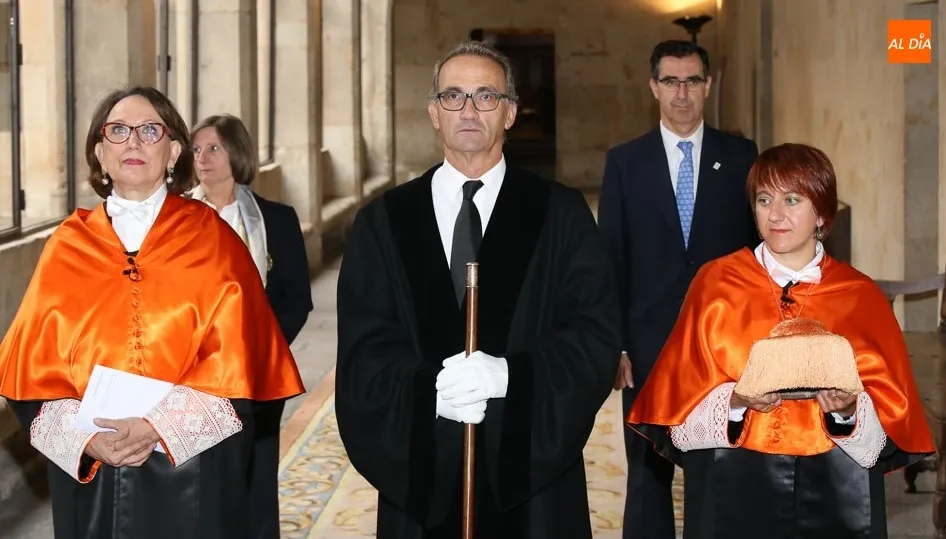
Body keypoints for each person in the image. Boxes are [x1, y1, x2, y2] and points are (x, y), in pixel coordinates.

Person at [335, 40, 621, 538]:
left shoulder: (560, 213)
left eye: (486, 96)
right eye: (453, 96)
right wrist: (427, 393)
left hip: (531, 481)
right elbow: (364, 350)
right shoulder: (383, 222)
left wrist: (512, 377)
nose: (468, 111)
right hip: (423, 475)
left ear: (509, 113)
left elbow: (593, 335)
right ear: (434, 112)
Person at [0, 86, 305, 539]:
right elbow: (30, 373)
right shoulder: (67, 246)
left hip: (194, 472)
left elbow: (241, 365)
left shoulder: (215, 240)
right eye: (118, 130)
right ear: (100, 153)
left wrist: (157, 426)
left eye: (149, 130)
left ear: (173, 152)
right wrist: (88, 439)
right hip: (94, 477)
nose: (133, 142)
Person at [627, 143, 935, 538]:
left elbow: (887, 426)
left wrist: (846, 411)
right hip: (733, 486)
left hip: (837, 489)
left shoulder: (861, 296)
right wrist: (736, 401)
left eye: (792, 199)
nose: (775, 214)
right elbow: (680, 418)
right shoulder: (715, 283)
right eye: (764, 199)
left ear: (821, 213)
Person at [596, 39, 760, 539]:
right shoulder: (625, 162)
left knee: (716, 466)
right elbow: (610, 259)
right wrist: (615, 345)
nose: (682, 93)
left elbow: (755, 254)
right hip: (646, 344)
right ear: (654, 87)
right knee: (648, 473)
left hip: (721, 346)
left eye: (691, 81)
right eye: (671, 81)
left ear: (708, 86)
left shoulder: (741, 157)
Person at [188, 113, 313, 539]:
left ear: (237, 153)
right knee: (202, 485)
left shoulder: (276, 219)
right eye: (196, 150)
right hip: (194, 378)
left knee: (257, 481)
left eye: (214, 148)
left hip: (259, 372)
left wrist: (264, 350)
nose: (203, 158)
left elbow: (297, 298)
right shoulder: (176, 220)